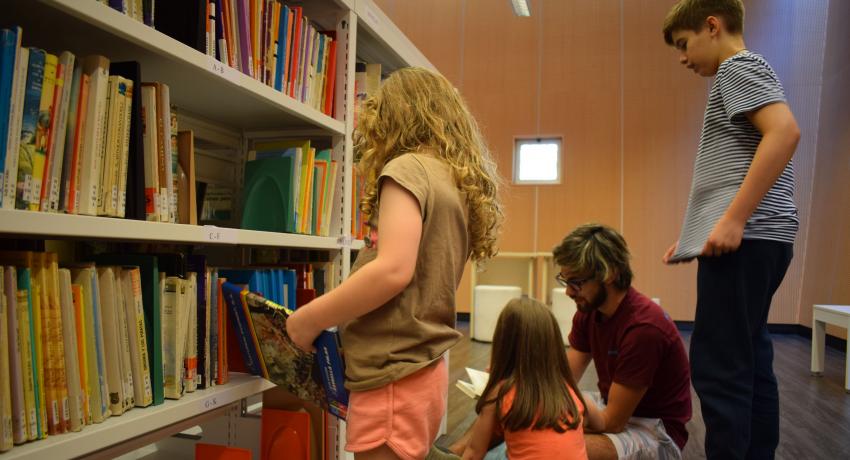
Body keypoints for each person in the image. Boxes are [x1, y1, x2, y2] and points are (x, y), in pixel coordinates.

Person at [286, 67, 504, 460]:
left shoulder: (407, 169)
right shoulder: (451, 181)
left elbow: (392, 270)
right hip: (421, 371)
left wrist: (309, 319)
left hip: (391, 378)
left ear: (394, 118)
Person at [662, 1, 800, 458]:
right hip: (766, 240)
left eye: (684, 44)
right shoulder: (741, 72)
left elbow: (783, 132)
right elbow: (734, 168)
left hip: (751, 239)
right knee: (752, 361)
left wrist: (735, 219)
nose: (682, 58)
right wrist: (697, 233)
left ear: (712, 26)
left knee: (720, 369)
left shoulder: (737, 67)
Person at [451, 224, 691, 460]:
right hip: (611, 409)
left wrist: (537, 426)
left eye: (576, 283)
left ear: (610, 275)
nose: (568, 292)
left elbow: (613, 422)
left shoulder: (644, 329)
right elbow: (558, 380)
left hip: (654, 431)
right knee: (511, 403)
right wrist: (512, 383)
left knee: (550, 444)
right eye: (565, 281)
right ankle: (449, 454)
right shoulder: (590, 313)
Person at [462, 297, 604, 460]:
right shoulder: (571, 392)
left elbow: (473, 453)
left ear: (504, 346)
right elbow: (601, 424)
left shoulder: (499, 393)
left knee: (493, 455)